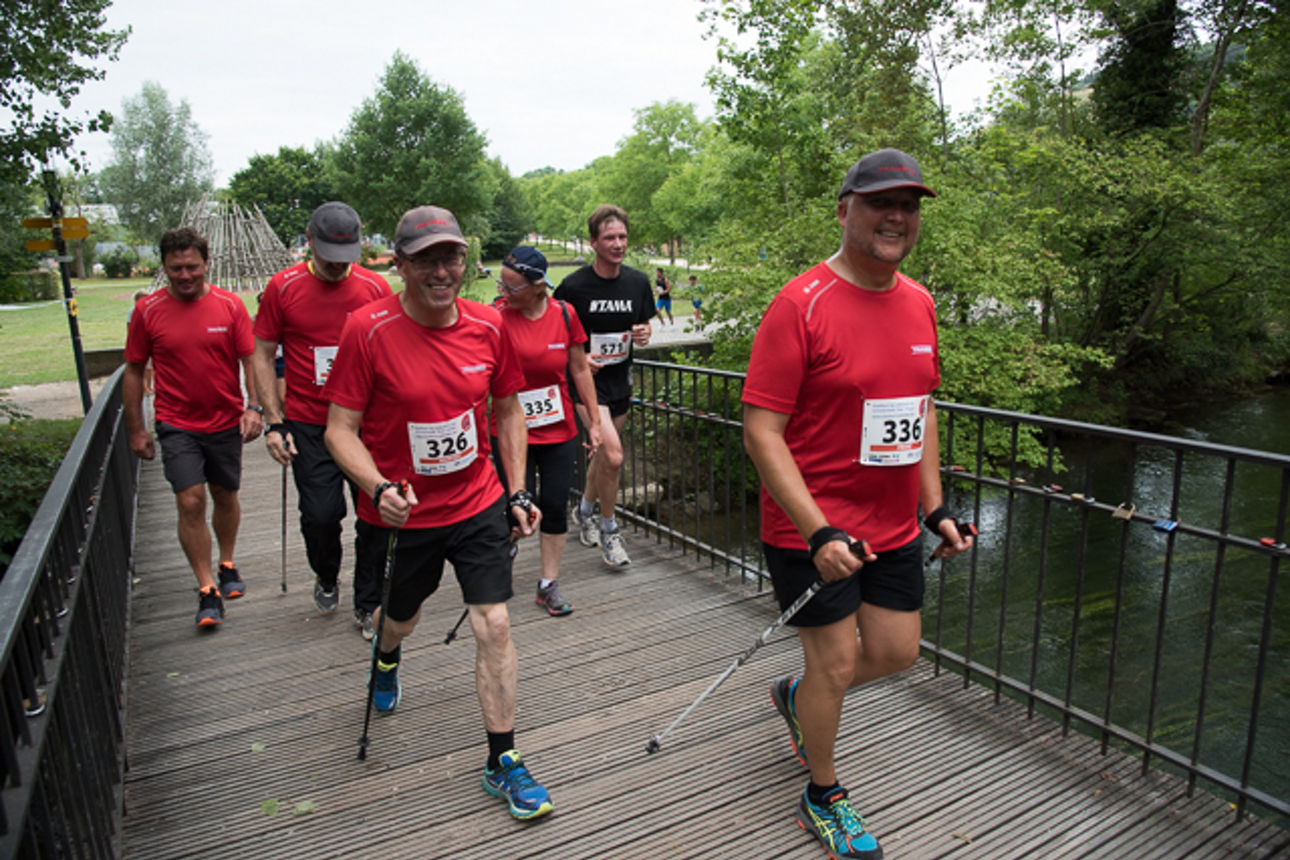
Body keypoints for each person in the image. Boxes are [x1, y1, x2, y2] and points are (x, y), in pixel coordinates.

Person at [741, 149, 973, 860]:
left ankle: (795, 695)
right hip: (810, 528)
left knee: (898, 653)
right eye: (880, 203)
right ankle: (823, 792)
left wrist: (934, 507)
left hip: (893, 525)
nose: (896, 216)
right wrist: (817, 530)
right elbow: (761, 430)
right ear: (845, 210)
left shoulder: (921, 301)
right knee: (837, 664)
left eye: (909, 205)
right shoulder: (800, 304)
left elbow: (921, 410)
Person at [323, 205, 554, 821]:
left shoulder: (488, 327)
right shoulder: (365, 331)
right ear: (399, 265)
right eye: (425, 259)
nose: (441, 270)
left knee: (495, 623)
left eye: (449, 256)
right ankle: (388, 654)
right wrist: (375, 489)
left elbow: (508, 410)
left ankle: (502, 759)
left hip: (476, 501)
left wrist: (517, 489)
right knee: (400, 619)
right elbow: (339, 432)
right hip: (402, 514)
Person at [252, 202, 392, 636]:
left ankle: (367, 602)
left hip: (365, 425)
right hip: (310, 423)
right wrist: (274, 421)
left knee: (375, 513)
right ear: (309, 241)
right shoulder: (283, 287)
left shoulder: (373, 287)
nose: (336, 267)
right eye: (328, 256)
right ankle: (327, 572)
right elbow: (262, 353)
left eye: (345, 257)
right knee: (321, 514)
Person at [123, 227, 263, 628]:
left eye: (192, 267)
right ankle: (206, 589)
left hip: (223, 420)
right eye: (175, 269)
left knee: (224, 494)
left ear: (206, 264)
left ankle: (227, 562)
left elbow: (248, 359)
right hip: (176, 422)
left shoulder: (229, 306)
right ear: (164, 268)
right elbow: (133, 371)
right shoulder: (148, 311)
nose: (185, 276)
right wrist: (136, 428)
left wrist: (253, 406)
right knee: (189, 500)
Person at [493, 245, 603, 616]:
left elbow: (580, 369)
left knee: (554, 506)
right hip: (509, 431)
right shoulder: (496, 317)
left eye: (513, 288)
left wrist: (595, 421)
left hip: (557, 431)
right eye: (502, 285)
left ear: (538, 286)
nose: (505, 294)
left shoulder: (564, 314)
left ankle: (547, 585)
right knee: (513, 507)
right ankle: (498, 571)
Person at [553, 204, 655, 567]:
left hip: (620, 382)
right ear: (594, 242)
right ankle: (610, 530)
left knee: (603, 458)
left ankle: (583, 510)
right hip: (586, 386)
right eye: (609, 237)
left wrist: (644, 332)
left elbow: (641, 326)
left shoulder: (637, 282)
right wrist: (579, 360)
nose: (618, 244)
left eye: (623, 236)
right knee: (612, 455)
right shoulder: (574, 287)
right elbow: (554, 334)